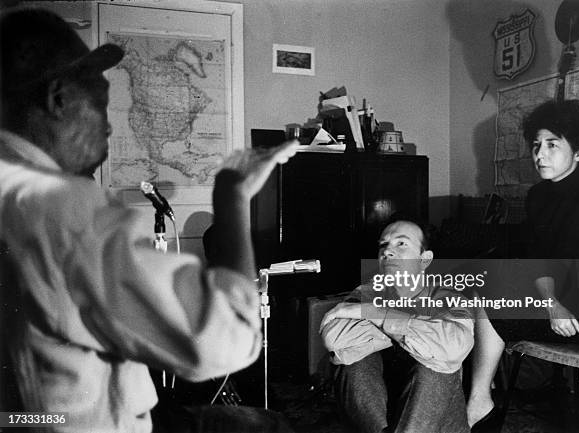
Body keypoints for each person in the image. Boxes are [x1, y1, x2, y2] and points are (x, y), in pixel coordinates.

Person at [0, 8, 298, 432]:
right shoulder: (62, 211)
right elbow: (224, 338)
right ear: (58, 99)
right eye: (100, 104)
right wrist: (233, 195)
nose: (108, 127)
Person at [466, 99, 579, 430]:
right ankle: (480, 399)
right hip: (560, 307)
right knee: (489, 284)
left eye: (551, 145)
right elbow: (538, 262)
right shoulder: (539, 196)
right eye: (535, 146)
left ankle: (479, 401)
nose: (539, 154)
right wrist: (552, 306)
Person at [319, 219, 475, 433]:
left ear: (424, 259)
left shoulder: (449, 297)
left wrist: (377, 314)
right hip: (379, 418)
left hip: (435, 423)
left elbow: (453, 347)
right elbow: (334, 336)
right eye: (383, 245)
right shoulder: (369, 292)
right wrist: (413, 327)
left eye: (401, 244)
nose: (387, 252)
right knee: (353, 362)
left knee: (434, 367)